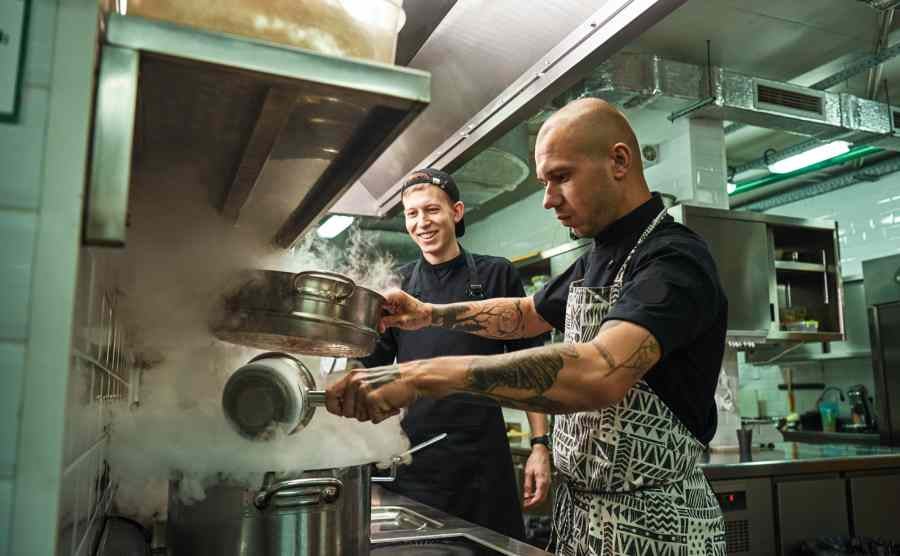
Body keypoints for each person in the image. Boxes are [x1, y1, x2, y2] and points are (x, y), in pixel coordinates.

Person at [326, 98, 729, 555]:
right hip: (584, 519)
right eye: (544, 182)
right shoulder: (601, 257)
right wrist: (427, 314)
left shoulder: (672, 260)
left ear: (619, 161)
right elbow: (525, 315)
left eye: (561, 177)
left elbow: (599, 372)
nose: (548, 198)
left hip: (654, 529)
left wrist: (419, 376)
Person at [356, 168, 552, 540]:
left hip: (484, 461)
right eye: (412, 214)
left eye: (431, 210)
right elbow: (369, 370)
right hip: (416, 462)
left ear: (457, 212)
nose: (421, 222)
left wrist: (541, 445)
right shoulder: (396, 287)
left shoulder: (497, 275)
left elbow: (532, 366)